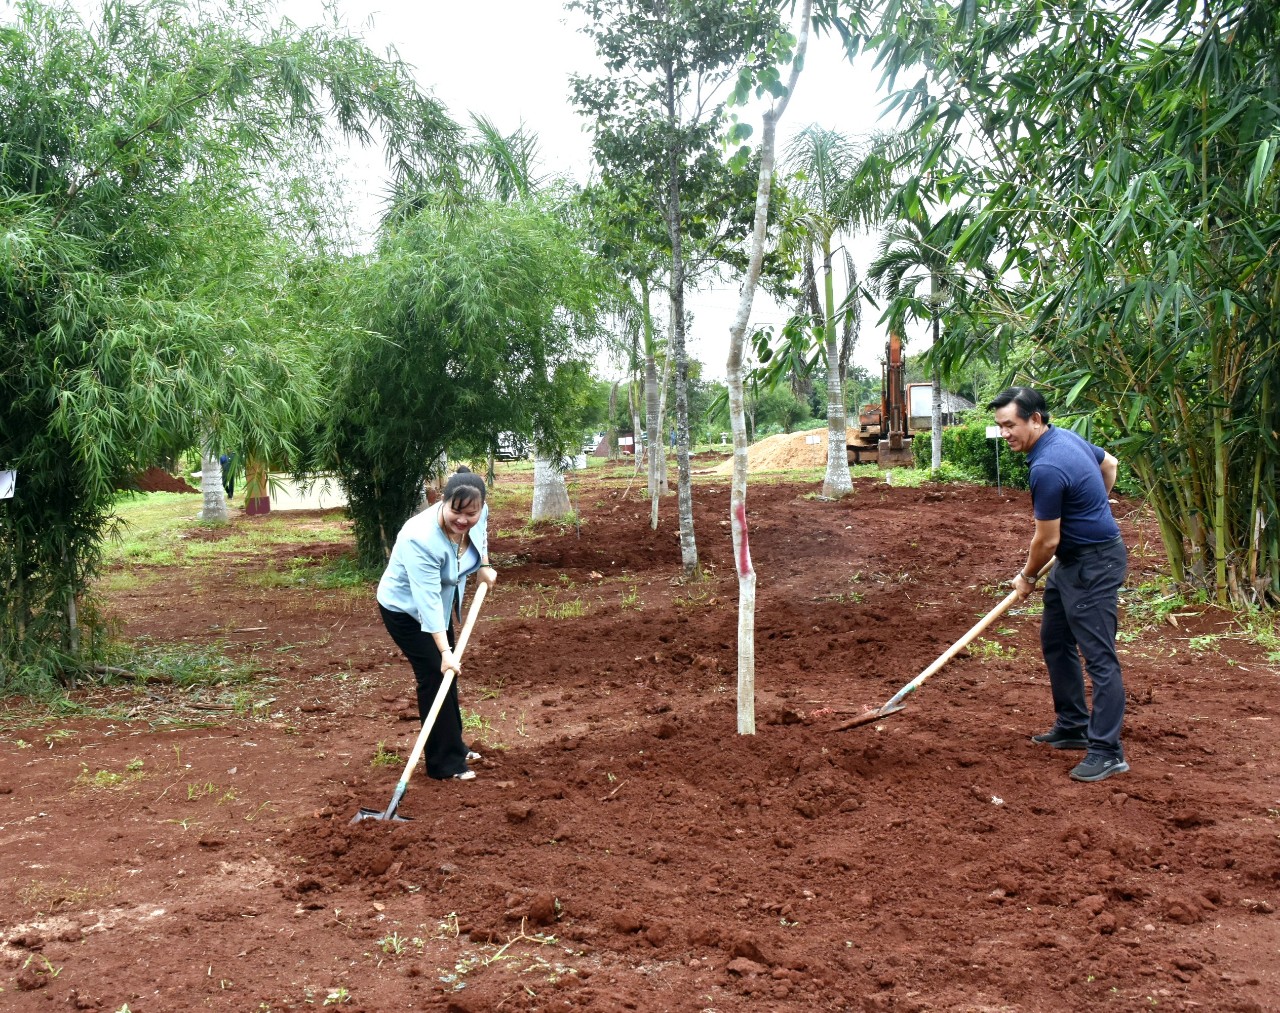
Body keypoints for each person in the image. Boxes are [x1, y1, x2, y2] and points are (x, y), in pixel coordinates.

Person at [991, 387, 1130, 783]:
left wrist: (1028, 576)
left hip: (1094, 563)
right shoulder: (1065, 436)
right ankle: (1073, 724)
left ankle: (1107, 751)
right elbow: (1111, 464)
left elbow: (1046, 540)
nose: (1005, 434)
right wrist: (1093, 508)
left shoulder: (1047, 467)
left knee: (1100, 658)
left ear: (1035, 419)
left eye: (1010, 425)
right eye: (1000, 427)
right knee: (1055, 639)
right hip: (1071, 560)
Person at [376, 468, 498, 781]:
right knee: (435, 672)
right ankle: (445, 764)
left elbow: (478, 533)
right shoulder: (420, 539)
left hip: (437, 608)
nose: (464, 519)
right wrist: (444, 649)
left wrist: (483, 565)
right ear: (441, 502)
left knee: (448, 672)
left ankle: (453, 744)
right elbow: (426, 601)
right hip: (406, 610)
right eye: (456, 512)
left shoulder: (475, 511)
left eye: (471, 512)